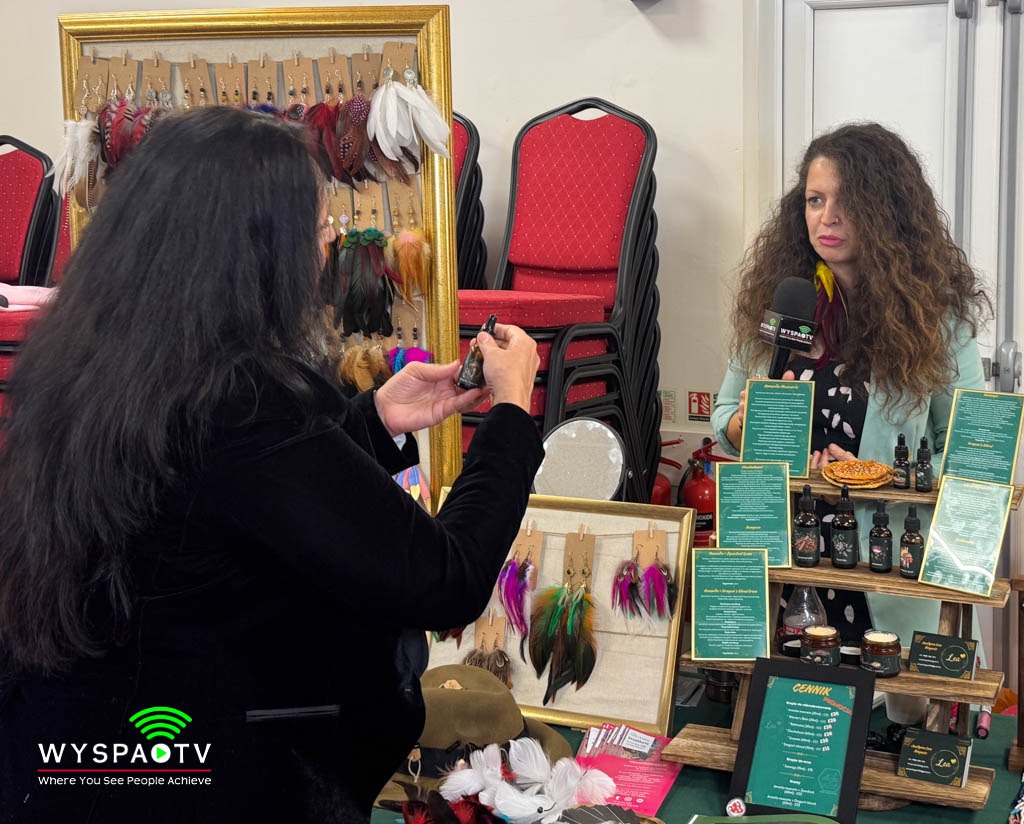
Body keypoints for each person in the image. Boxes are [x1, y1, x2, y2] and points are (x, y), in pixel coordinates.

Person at [0, 106, 541, 823]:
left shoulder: (91, 366)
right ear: (256, 251)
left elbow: (227, 503)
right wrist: (511, 416)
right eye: (315, 229)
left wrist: (371, 421)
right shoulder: (242, 397)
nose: (326, 246)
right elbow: (444, 580)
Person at [711, 122, 991, 646]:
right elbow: (725, 417)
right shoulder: (783, 304)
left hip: (881, 563)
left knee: (883, 693)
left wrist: (883, 475)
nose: (828, 217)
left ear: (888, 212)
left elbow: (973, 454)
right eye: (815, 200)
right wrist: (745, 425)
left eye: (849, 201)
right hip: (784, 559)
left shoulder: (937, 320)